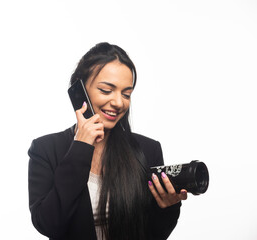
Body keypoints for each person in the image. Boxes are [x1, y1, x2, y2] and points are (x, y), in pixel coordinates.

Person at [28, 42, 187, 240]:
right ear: (80, 89)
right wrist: (81, 147)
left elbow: (154, 234)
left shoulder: (148, 150)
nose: (119, 103)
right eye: (106, 90)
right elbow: (48, 224)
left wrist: (168, 207)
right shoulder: (46, 149)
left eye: (126, 94)